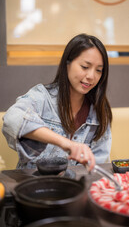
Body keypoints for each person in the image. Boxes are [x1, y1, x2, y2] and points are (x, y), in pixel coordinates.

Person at [2, 33, 112, 171]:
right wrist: (66, 143)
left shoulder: (99, 111)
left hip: (74, 187)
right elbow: (12, 118)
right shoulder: (42, 97)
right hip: (32, 185)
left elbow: (98, 165)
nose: (91, 76)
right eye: (85, 67)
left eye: (99, 70)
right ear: (67, 64)